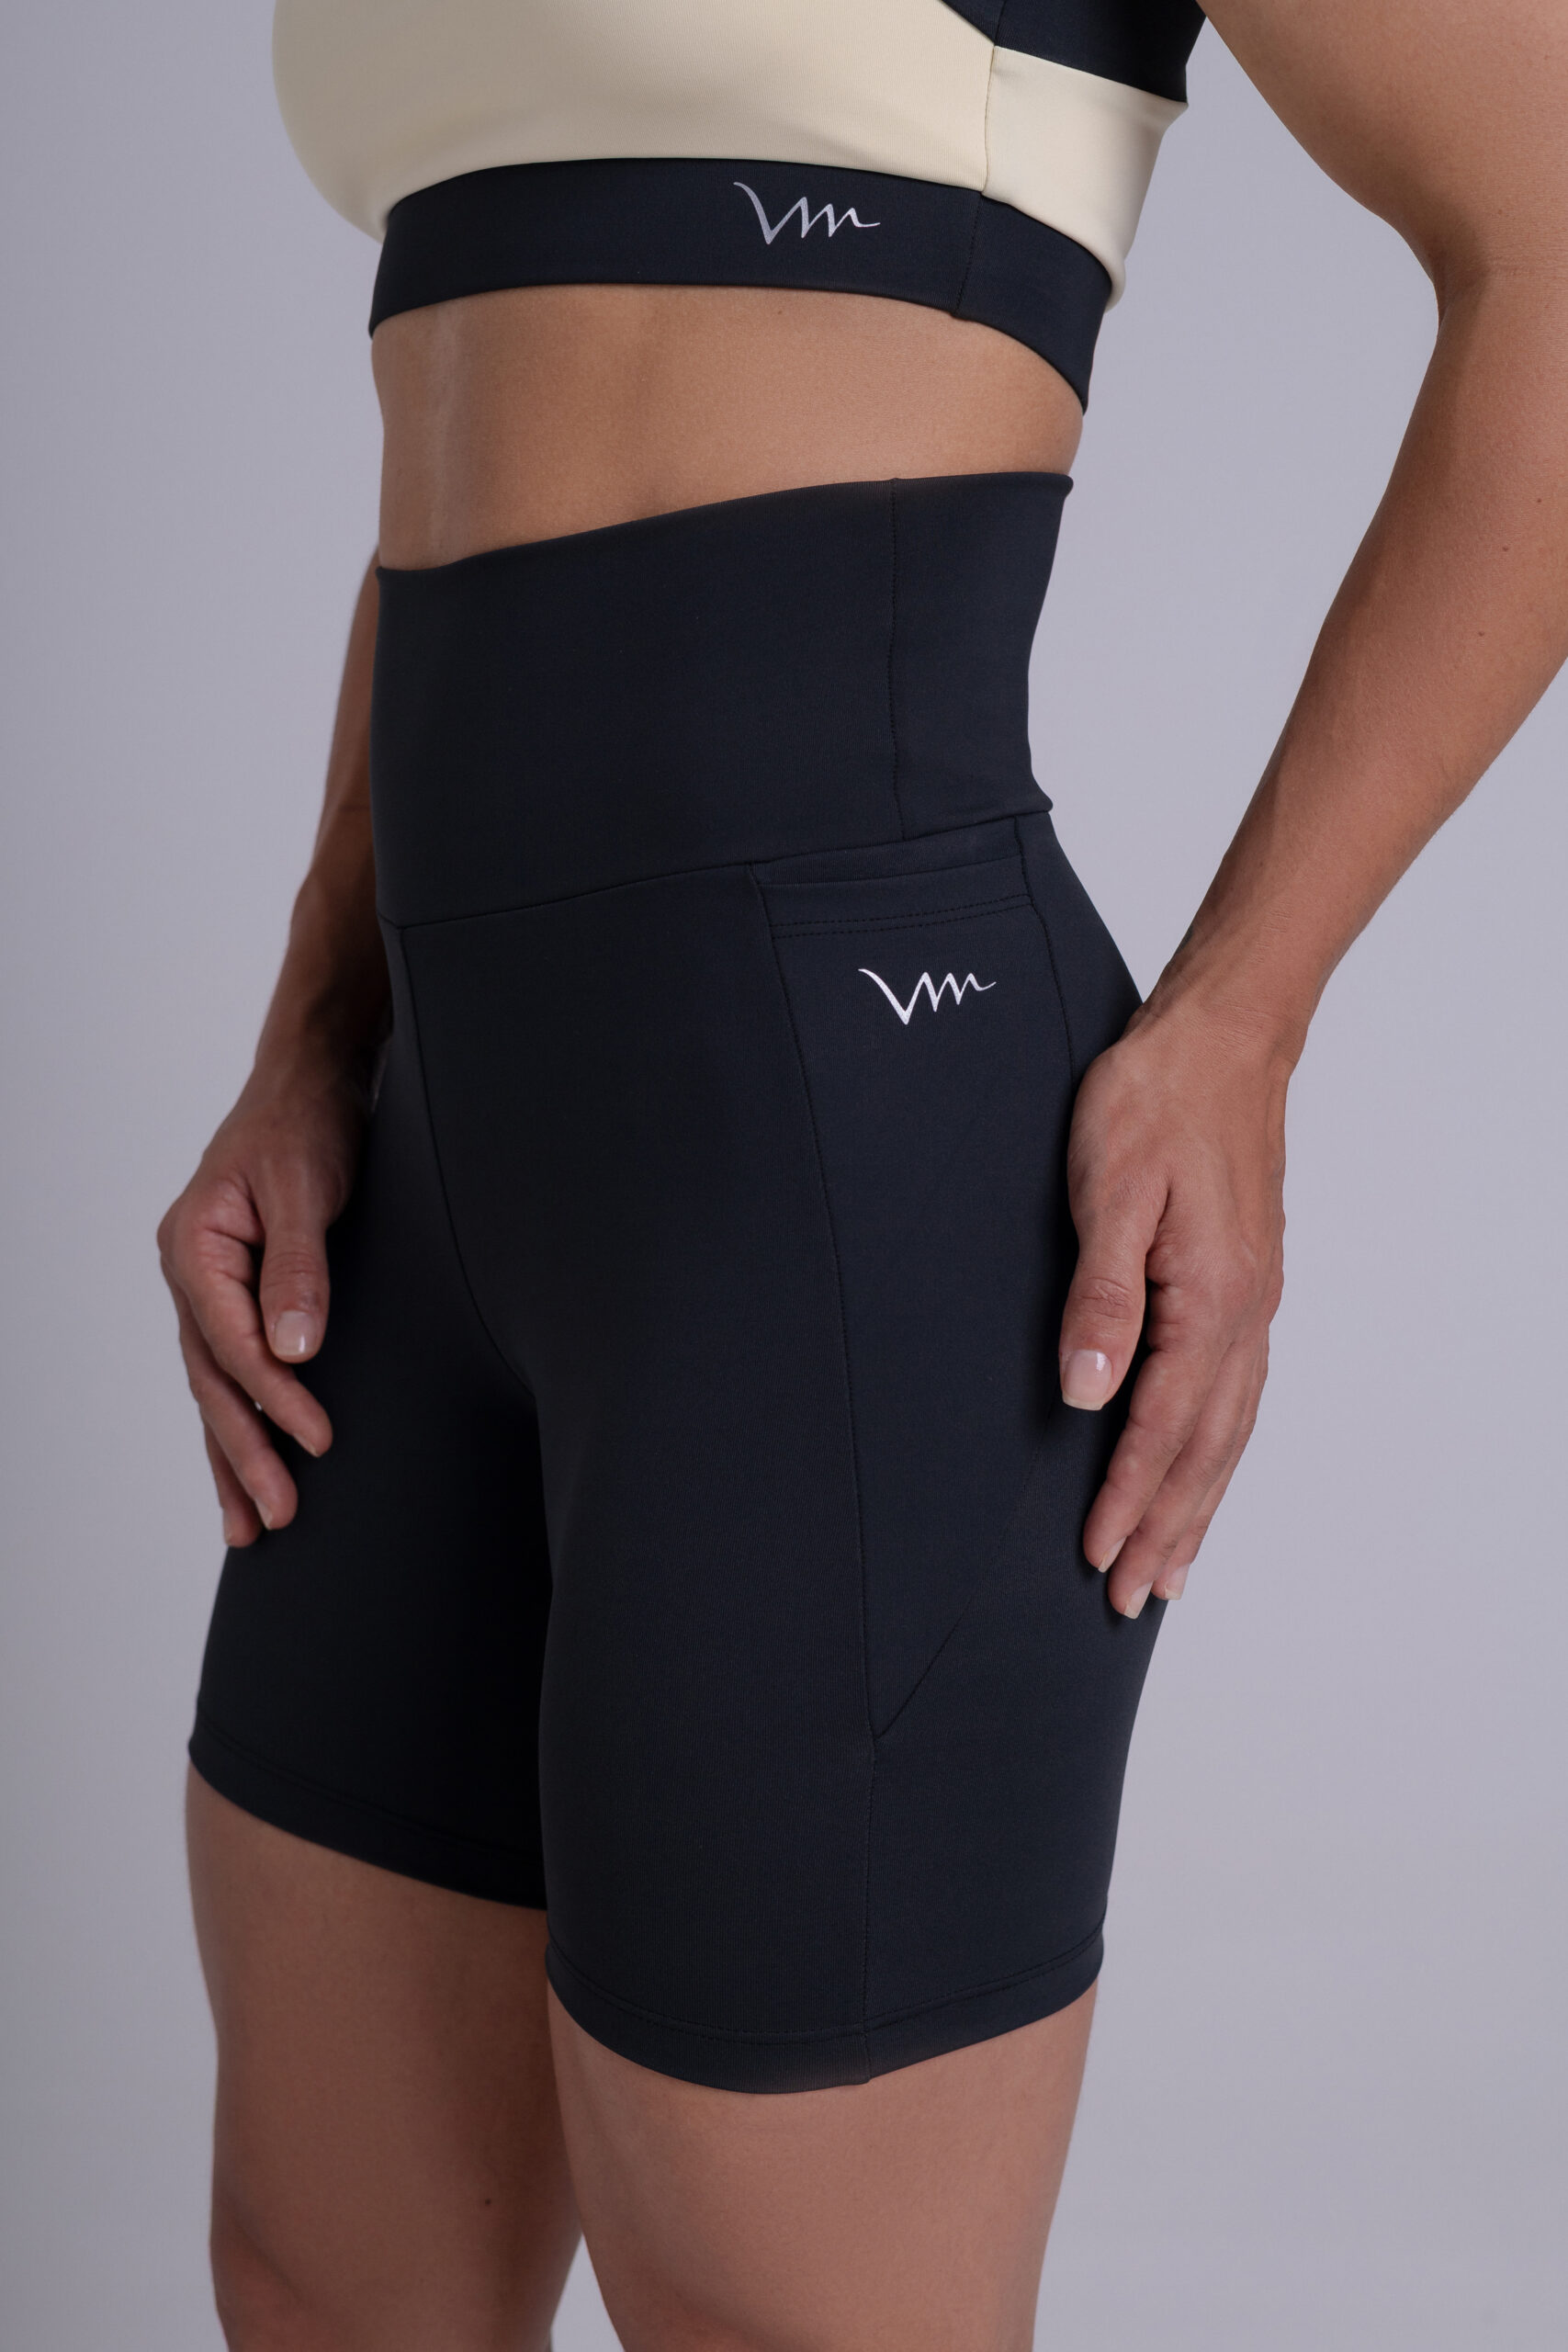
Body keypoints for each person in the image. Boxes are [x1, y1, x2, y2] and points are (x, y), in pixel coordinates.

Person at [157, 4, 1568, 2346]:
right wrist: (315, 1007)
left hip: (829, 1160)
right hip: (422, 1156)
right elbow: (478, 425)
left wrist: (1243, 1018)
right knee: (323, 2279)